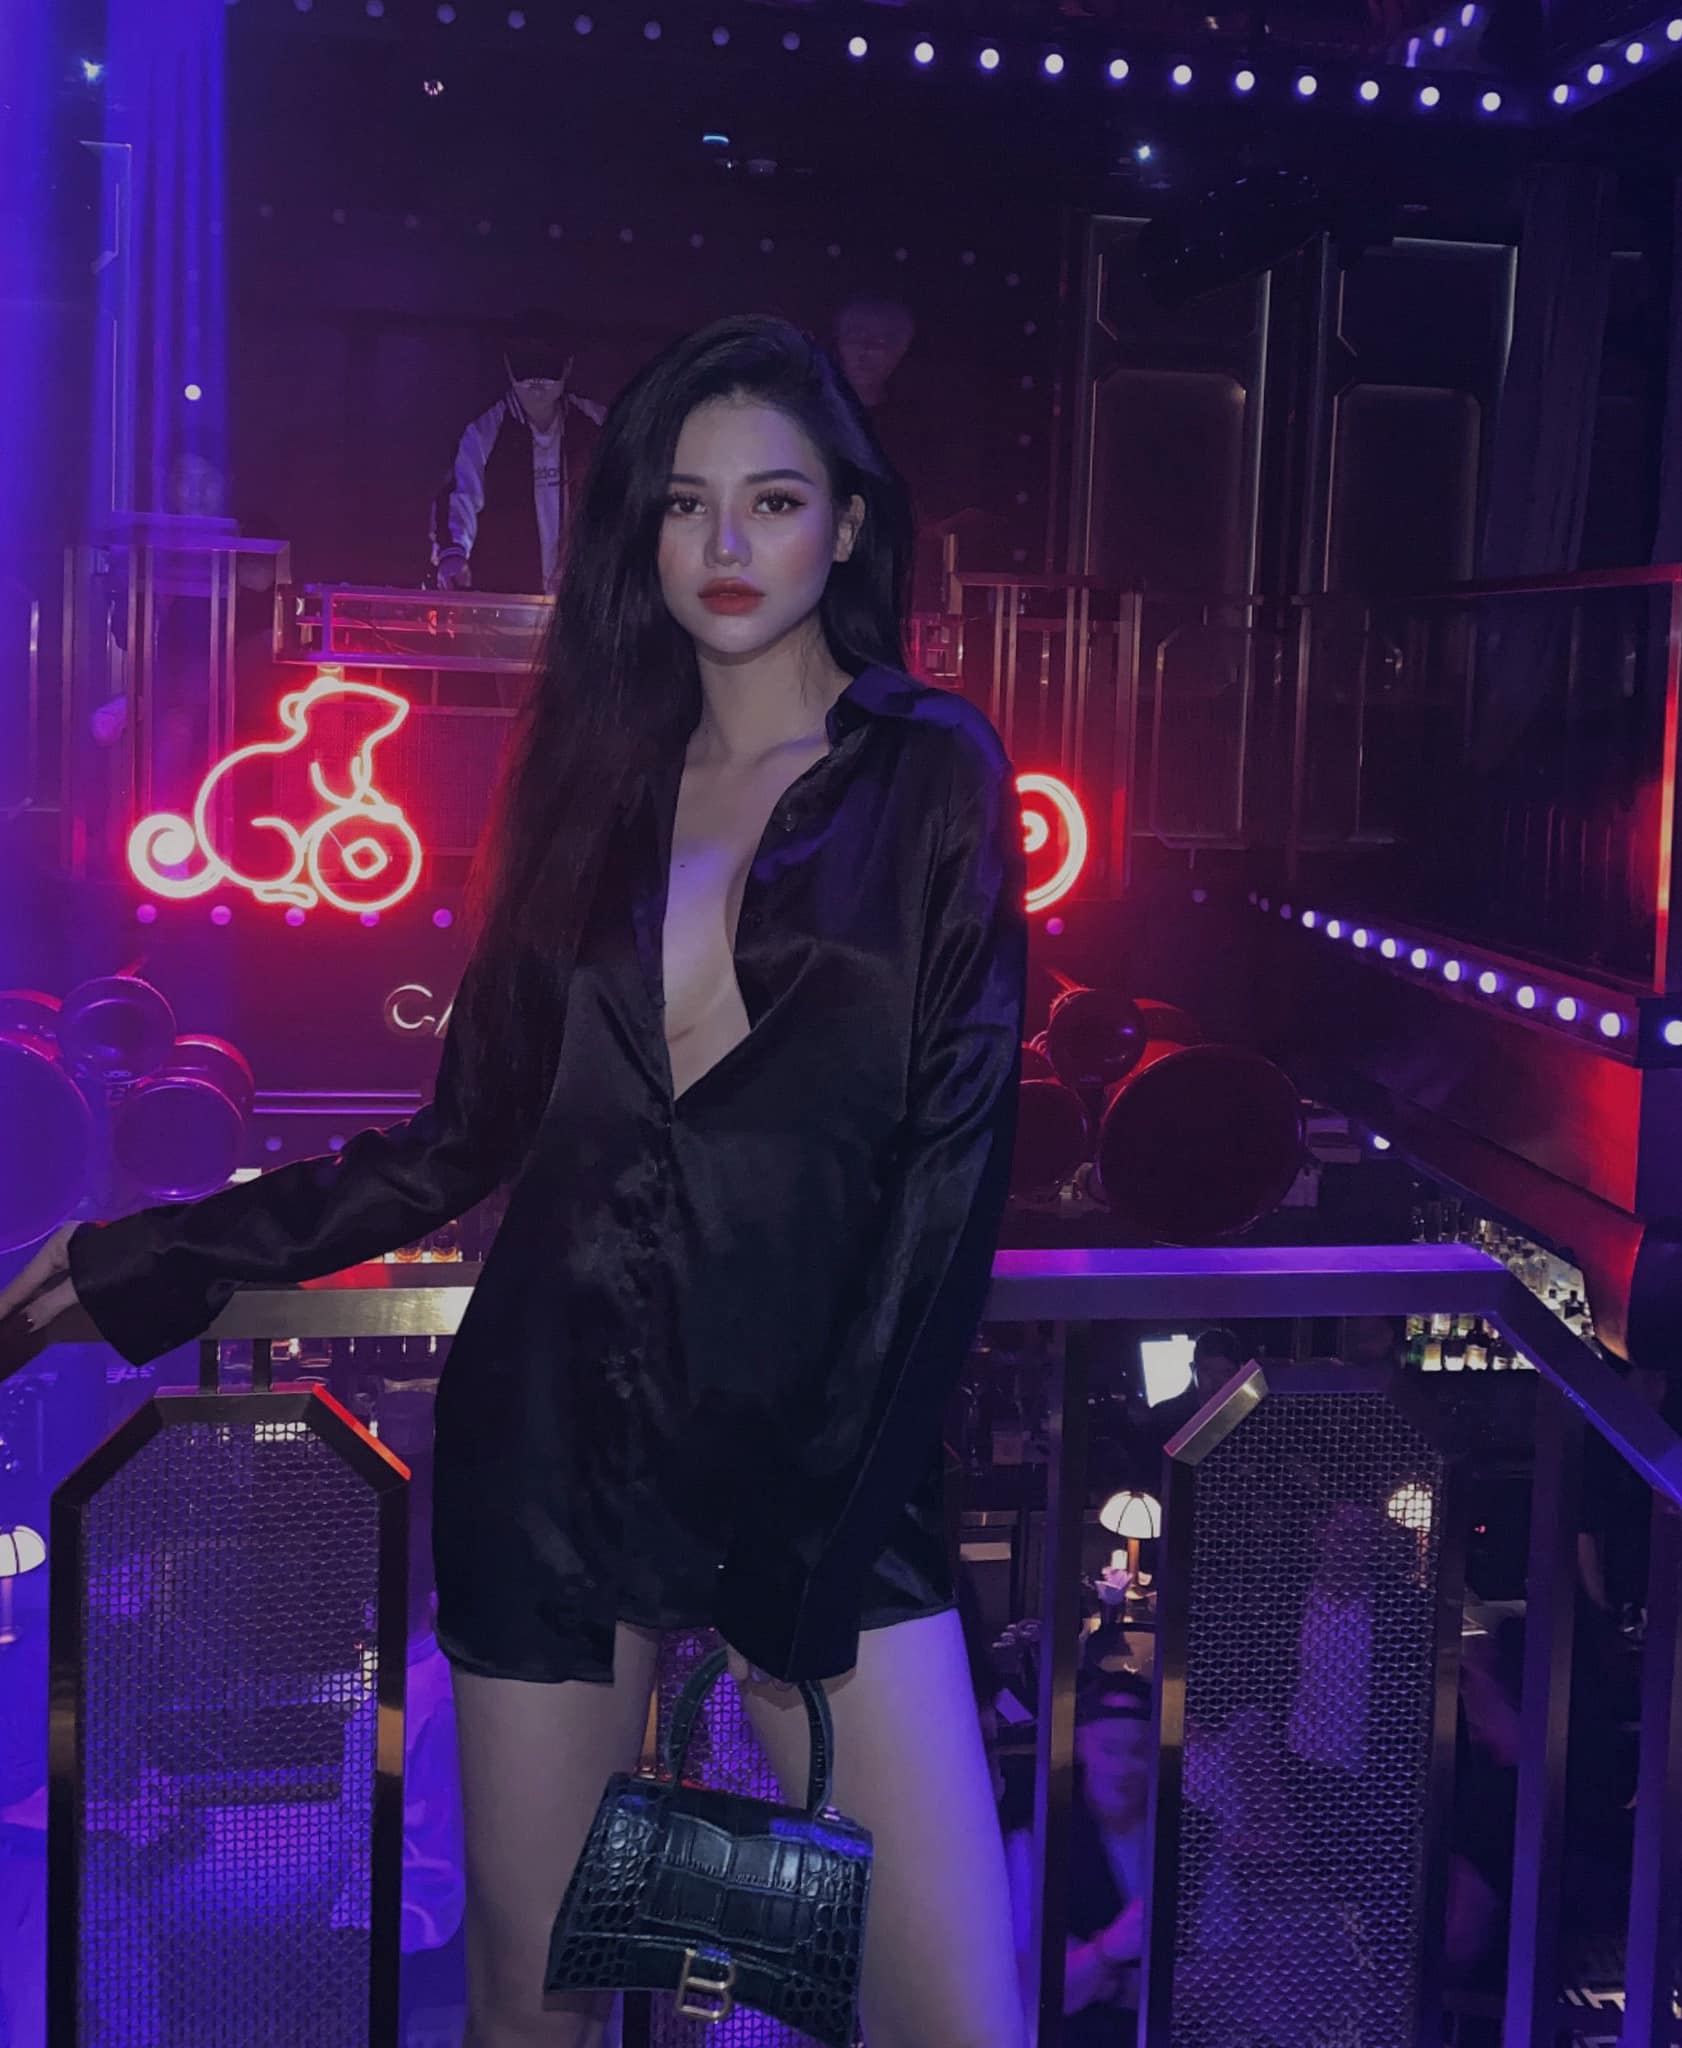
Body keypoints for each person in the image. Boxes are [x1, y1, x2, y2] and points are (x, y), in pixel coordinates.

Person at [3, 313, 1028, 2048]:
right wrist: (140, 1258)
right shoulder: (586, 787)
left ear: (849, 525)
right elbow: (455, 1139)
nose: (724, 542)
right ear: (640, 531)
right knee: (526, 2012)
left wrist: (820, 1520)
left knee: (953, 2023)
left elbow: (950, 1172)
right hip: (554, 1451)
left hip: (824, 1474)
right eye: (684, 501)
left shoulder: (931, 772)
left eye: (773, 499)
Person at [1003, 1674, 1153, 2042]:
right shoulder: (1034, 1844)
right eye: (1109, 1749)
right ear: (1081, 1744)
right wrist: (1109, 1949)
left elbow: (1223, 1978)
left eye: (1138, 1751)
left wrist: (1091, 1974)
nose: (1122, 1767)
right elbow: (1030, 1990)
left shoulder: (1194, 1837)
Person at [430, 311, 607, 596]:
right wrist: (454, 553)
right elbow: (460, 496)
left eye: (547, 367)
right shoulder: (484, 432)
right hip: (507, 598)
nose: (537, 381)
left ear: (568, 366)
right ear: (508, 365)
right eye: (527, 367)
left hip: (582, 597)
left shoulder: (598, 425)